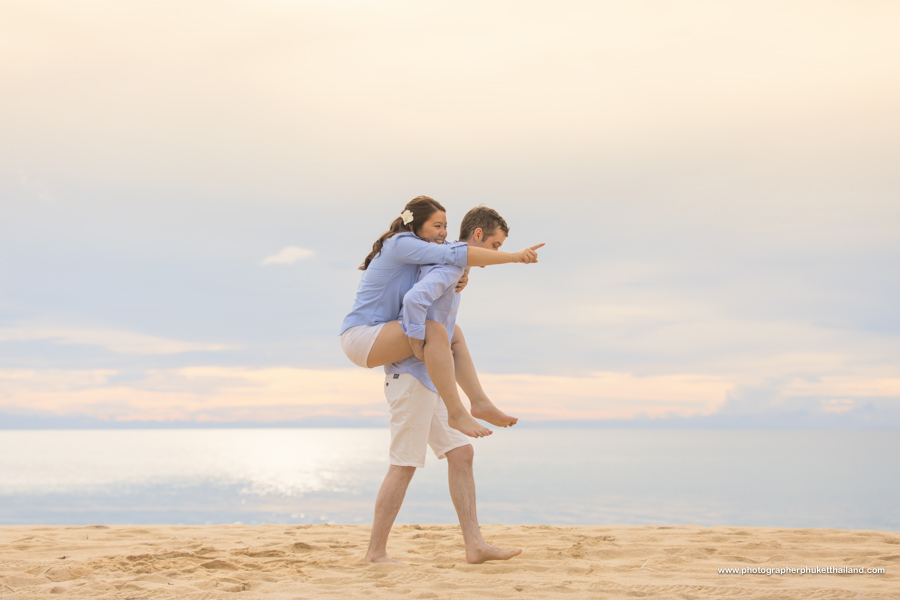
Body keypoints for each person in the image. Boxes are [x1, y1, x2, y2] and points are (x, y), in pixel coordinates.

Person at [365, 206, 524, 564]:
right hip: (408, 377)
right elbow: (415, 300)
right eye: (495, 245)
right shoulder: (448, 264)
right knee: (403, 464)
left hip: (426, 378)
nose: (494, 254)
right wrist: (420, 342)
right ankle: (375, 554)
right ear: (479, 237)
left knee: (462, 453)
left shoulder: (451, 265)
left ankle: (475, 544)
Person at [340, 196, 543, 438]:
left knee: (453, 332)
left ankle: (479, 402)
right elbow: (456, 256)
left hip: (380, 333)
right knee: (435, 330)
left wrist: (463, 273)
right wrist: (514, 256)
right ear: (414, 226)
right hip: (362, 336)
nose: (443, 233)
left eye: (445, 226)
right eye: (437, 226)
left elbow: (455, 255)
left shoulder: (424, 250)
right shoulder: (401, 243)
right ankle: (456, 412)